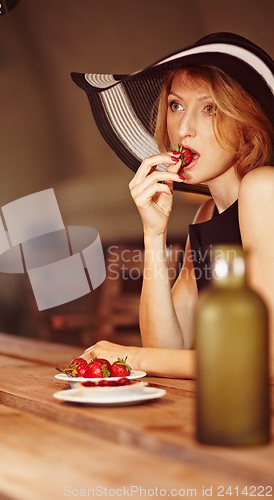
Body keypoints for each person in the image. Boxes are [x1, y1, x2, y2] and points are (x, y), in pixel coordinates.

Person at [71, 33, 274, 379]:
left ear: (246, 122)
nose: (183, 129)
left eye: (209, 108)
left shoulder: (264, 188)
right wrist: (154, 233)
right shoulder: (208, 213)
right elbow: (166, 347)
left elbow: (262, 360)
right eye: (176, 106)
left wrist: (132, 357)